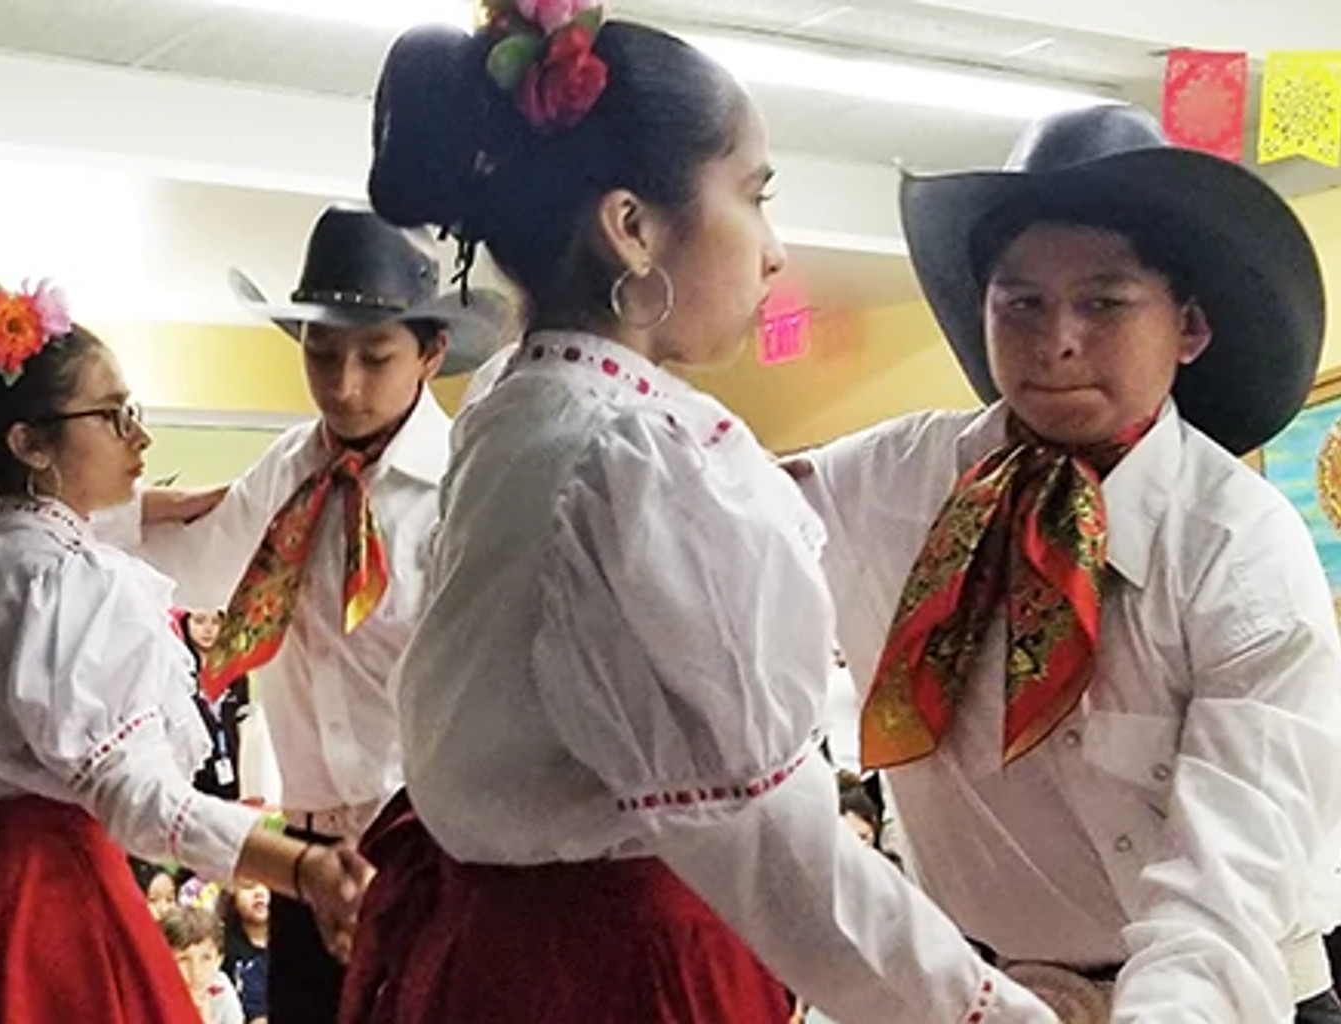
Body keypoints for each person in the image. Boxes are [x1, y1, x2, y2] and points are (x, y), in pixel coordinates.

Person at [339, 5, 1053, 1022]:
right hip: (610, 970)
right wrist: (991, 1011)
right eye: (753, 196)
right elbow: (779, 846)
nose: (772, 250)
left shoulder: (520, 401)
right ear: (632, 226)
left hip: (498, 949)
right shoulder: (627, 463)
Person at [794, 102, 1341, 1022]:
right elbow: (703, 527)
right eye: (1022, 303)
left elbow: (1227, 889)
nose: (1057, 341)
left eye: (1103, 302)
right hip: (978, 990)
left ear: (1190, 328)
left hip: (1214, 992)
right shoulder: (890, 484)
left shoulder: (1237, 548)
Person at [0, 279, 369, 1024]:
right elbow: (138, 799)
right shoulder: (76, 584)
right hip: (53, 900)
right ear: (29, 441)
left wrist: (134, 510)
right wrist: (303, 866)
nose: (140, 437)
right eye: (113, 415)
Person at [104, 203, 514, 1023]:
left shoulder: (469, 489)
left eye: (374, 356)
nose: (344, 385)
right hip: (303, 847)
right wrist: (92, 512)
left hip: (432, 847)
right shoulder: (291, 467)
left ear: (431, 353)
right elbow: (198, 567)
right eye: (321, 355)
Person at [179, 608, 248, 800]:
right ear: (186, 624)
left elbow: (244, 723)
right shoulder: (178, 673)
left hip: (231, 773)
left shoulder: (237, 675)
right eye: (200, 621)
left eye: (216, 623)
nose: (208, 629)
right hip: (192, 776)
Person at [164, 905, 247, 1024]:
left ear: (219, 960)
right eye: (182, 959)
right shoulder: (157, 994)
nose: (196, 972)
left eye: (206, 958)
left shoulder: (221, 988)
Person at [222, 882, 272, 1024]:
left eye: (266, 886)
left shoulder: (296, 943)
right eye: (248, 887)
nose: (259, 894)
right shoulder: (224, 947)